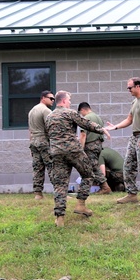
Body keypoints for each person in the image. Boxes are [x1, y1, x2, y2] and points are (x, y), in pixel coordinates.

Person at [45, 91, 110, 227]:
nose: (70, 102)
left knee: (60, 184)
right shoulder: (69, 113)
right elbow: (85, 123)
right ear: (63, 101)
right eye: (68, 100)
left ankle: (60, 218)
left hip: (56, 152)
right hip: (73, 151)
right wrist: (102, 129)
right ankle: (81, 204)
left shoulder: (49, 117)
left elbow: (48, 135)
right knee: (88, 174)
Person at [105, 77, 140, 206]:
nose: (128, 90)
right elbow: (129, 119)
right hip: (134, 137)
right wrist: (115, 127)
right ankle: (131, 194)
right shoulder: (135, 102)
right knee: (128, 166)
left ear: (138, 86)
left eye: (130, 87)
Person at [78, 101, 110, 195]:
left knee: (93, 166)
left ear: (83, 110)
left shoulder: (86, 118)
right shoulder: (98, 117)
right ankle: (87, 188)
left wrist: (81, 149)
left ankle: (105, 187)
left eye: (81, 112)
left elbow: (83, 135)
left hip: (90, 145)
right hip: (98, 145)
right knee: (92, 166)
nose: (81, 114)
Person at [28, 90, 55, 200]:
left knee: (37, 168)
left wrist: (31, 142)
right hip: (43, 141)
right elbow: (51, 128)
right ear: (43, 98)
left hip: (34, 141)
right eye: (51, 98)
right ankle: (60, 192)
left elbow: (29, 129)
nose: (53, 101)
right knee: (52, 166)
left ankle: (38, 193)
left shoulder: (32, 110)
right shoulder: (46, 111)